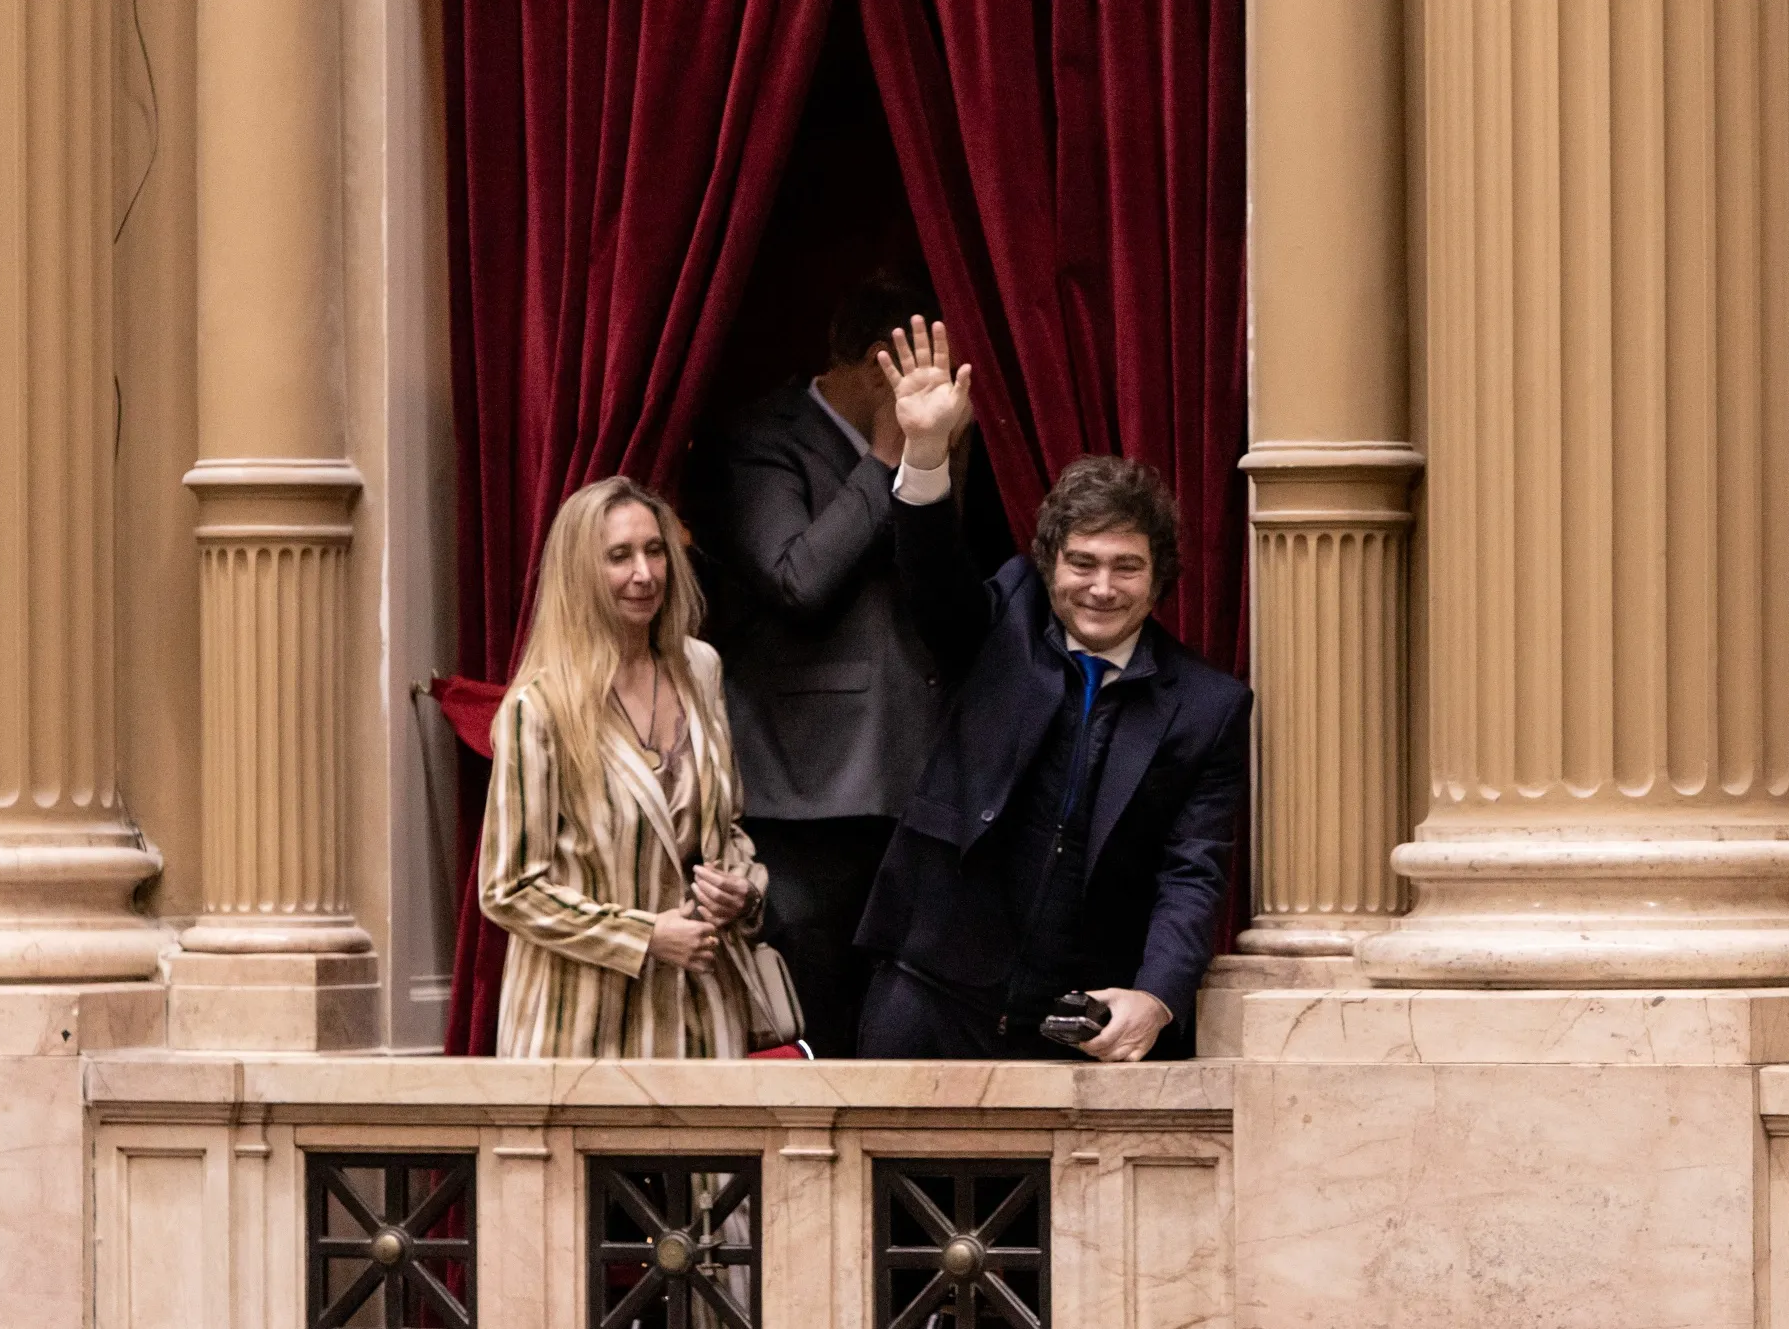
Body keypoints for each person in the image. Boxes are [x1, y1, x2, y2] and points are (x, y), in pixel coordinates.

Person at [854, 319, 1252, 1062]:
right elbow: (934, 579)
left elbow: (1192, 868)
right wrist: (928, 450)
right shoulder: (1002, 616)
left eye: (1127, 566)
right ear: (1048, 562)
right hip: (931, 993)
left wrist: (1158, 995)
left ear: (1160, 577)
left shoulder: (1208, 706)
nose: (1102, 587)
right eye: (1082, 562)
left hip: (1077, 1019)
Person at [711, 277, 978, 1057]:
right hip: (808, 796)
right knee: (821, 1023)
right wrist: (891, 452)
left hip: (921, 783)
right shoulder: (766, 438)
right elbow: (798, 578)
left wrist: (931, 462)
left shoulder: (948, 443)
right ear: (880, 364)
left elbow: (951, 600)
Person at [479, 476, 768, 1058]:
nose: (644, 573)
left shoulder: (699, 669)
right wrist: (644, 936)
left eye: (654, 550)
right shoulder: (539, 706)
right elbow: (508, 888)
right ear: (580, 572)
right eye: (620, 556)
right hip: (581, 1032)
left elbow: (726, 827)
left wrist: (743, 890)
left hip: (702, 1024)